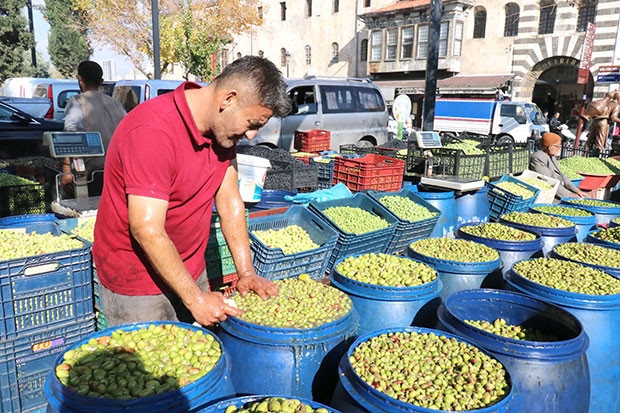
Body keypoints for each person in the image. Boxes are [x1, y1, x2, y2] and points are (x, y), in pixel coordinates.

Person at [92, 56, 291, 327]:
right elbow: (147, 229)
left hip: (189, 270)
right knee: (154, 363)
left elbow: (230, 200)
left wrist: (246, 272)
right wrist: (195, 298)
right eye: (252, 123)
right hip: (138, 282)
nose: (253, 135)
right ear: (228, 100)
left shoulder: (221, 131)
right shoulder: (152, 131)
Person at [61, 61, 126, 196]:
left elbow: (73, 136)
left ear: (79, 78)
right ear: (101, 81)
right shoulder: (116, 104)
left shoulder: (77, 101)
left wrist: (67, 170)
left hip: (93, 175)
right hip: (120, 171)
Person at [529, 132, 586, 201]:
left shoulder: (551, 157)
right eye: (558, 146)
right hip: (549, 197)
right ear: (550, 147)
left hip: (558, 193)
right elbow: (548, 181)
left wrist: (577, 191)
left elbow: (562, 176)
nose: (560, 148)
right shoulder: (538, 157)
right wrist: (569, 195)